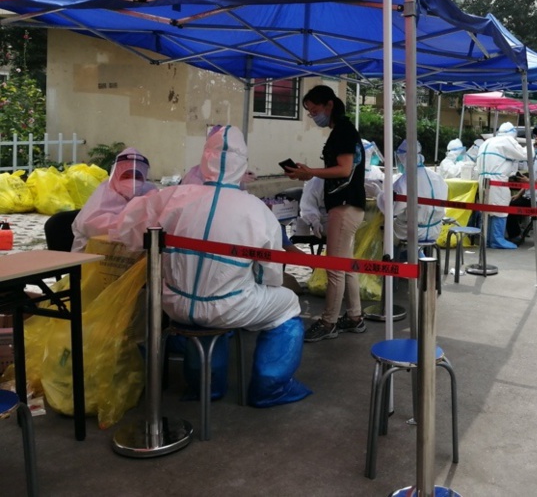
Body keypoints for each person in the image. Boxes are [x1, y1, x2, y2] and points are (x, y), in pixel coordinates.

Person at [109, 127, 310, 407]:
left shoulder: (171, 196)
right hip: (229, 307)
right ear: (243, 163)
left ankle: (205, 385)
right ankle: (270, 388)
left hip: (174, 304)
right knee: (287, 304)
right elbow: (269, 276)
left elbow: (127, 230)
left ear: (205, 159)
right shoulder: (258, 211)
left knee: (202, 311)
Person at [283, 85, 367, 342]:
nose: (313, 116)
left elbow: (343, 170)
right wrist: (309, 173)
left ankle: (328, 321)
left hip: (344, 205)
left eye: (315, 110)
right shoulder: (342, 130)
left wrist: (311, 172)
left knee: (334, 268)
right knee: (345, 266)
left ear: (329, 105)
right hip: (347, 206)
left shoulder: (342, 130)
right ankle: (354, 317)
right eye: (309, 112)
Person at [71, 147, 158, 252]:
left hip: (128, 254)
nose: (132, 181)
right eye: (126, 176)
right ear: (115, 175)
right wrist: (134, 223)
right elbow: (92, 226)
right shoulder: (104, 192)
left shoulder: (148, 190)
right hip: (94, 258)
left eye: (137, 176)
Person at [377, 139, 448, 245]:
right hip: (434, 230)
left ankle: (396, 258)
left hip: (410, 231)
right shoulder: (437, 177)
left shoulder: (406, 180)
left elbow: (394, 209)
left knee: (382, 225)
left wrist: (380, 195)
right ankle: (420, 255)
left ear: (404, 158)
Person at [475, 122, 528, 249]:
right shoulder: (507, 140)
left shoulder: (488, 141)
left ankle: (486, 239)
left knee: (486, 210)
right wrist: (532, 147)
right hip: (497, 180)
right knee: (500, 208)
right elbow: (524, 155)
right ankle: (497, 240)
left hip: (483, 179)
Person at [506, 128, 537, 244]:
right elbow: (532, 180)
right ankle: (517, 233)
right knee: (512, 202)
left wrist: (529, 180)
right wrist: (519, 194)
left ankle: (516, 236)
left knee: (510, 207)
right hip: (531, 195)